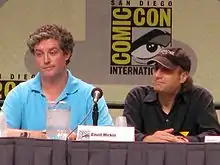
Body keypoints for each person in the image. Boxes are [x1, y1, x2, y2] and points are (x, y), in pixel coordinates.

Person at [1, 24, 113, 139]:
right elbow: (2, 132)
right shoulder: (19, 94)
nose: (46, 60)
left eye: (52, 53)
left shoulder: (90, 95)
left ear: (67, 54)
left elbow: (109, 137)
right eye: (39, 54)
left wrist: (77, 138)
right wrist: (38, 136)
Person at [123, 47, 220, 142]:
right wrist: (146, 139)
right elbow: (125, 135)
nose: (157, 75)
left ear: (183, 76)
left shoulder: (200, 97)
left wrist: (183, 141)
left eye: (165, 70)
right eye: (156, 69)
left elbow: (212, 134)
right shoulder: (137, 97)